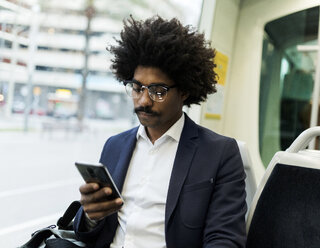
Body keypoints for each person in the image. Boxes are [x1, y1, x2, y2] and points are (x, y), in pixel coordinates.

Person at [73, 15, 247, 248]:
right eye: (137, 88)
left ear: (184, 91)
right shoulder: (114, 146)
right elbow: (91, 233)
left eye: (158, 91)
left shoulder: (219, 152)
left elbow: (225, 239)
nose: (143, 100)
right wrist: (90, 217)